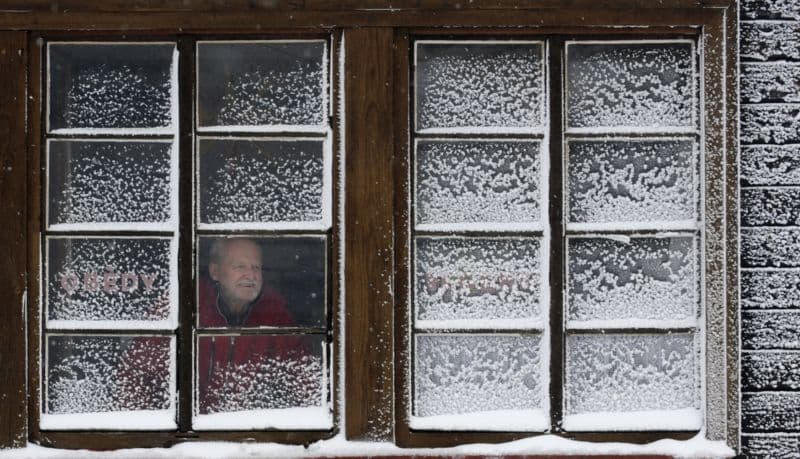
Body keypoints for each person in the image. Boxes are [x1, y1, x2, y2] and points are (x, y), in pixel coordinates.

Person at [197, 238, 317, 414]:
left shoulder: (276, 316)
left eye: (256, 268)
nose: (251, 275)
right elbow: (149, 375)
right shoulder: (187, 308)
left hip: (252, 428)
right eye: (240, 266)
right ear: (215, 272)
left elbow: (306, 387)